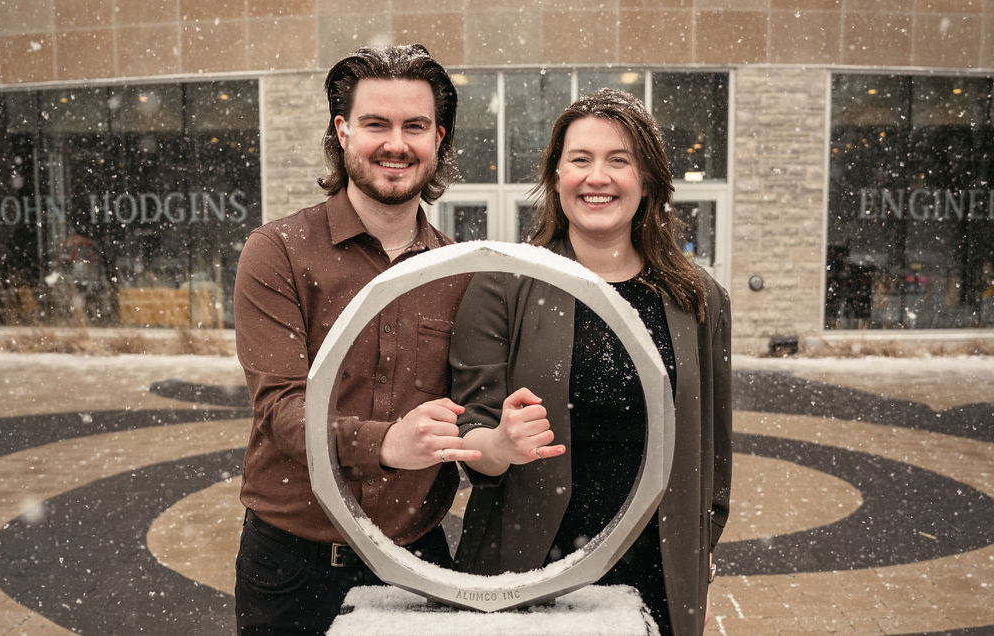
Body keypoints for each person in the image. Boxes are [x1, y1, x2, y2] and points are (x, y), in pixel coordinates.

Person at [450, 88, 732, 636]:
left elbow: (712, 452)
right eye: (580, 159)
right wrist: (499, 445)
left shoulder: (698, 297)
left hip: (656, 570)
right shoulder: (502, 284)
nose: (596, 177)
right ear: (556, 179)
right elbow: (471, 436)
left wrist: (697, 547)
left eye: (618, 160)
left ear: (647, 179)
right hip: (530, 568)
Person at [232, 44, 479, 636]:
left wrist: (492, 437)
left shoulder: (465, 270)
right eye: (376, 123)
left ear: (438, 139)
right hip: (293, 565)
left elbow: (474, 410)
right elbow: (281, 411)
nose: (396, 143)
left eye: (414, 126)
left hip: (415, 560)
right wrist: (387, 442)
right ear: (343, 131)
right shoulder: (278, 252)